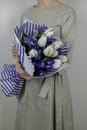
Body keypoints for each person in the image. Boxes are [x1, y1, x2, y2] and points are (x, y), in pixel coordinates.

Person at [12, 0, 76, 130]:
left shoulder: (67, 13)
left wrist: (35, 74)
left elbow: (66, 57)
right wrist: (17, 54)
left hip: (52, 87)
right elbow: (22, 47)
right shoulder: (26, 13)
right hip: (29, 86)